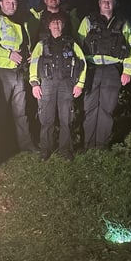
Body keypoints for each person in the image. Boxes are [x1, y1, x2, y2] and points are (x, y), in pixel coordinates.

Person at [77, 0, 131, 150]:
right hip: (91, 69)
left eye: (110, 1)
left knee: (107, 108)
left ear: (114, 3)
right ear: (99, 3)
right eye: (103, 0)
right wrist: (78, 71)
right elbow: (78, 46)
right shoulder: (88, 21)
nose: (106, 3)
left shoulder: (123, 23)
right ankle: (88, 144)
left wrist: (128, 71)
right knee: (89, 107)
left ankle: (101, 145)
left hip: (113, 70)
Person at [0, 0, 37, 153]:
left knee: (21, 112)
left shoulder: (20, 22)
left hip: (18, 72)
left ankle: (26, 145)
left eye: (14, 2)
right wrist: (9, 54)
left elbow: (22, 44)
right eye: (8, 2)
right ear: (1, 4)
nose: (12, 5)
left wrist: (28, 54)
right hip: (0, 73)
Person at [29, 12, 87, 160]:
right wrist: (34, 83)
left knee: (66, 119)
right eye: (53, 23)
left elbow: (82, 63)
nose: (56, 25)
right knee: (46, 119)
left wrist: (80, 84)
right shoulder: (41, 44)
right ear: (48, 26)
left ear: (63, 25)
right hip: (46, 84)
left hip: (67, 84)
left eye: (59, 23)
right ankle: (45, 149)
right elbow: (34, 63)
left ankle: (65, 149)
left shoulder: (72, 43)